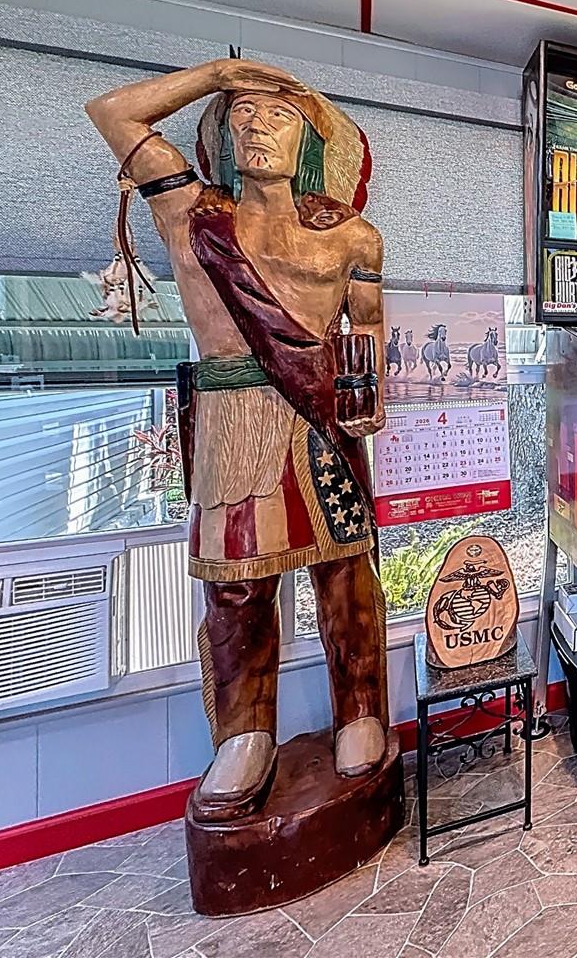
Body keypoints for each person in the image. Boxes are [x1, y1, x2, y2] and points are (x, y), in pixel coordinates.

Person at [85, 58, 390, 821]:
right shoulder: (194, 215)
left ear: (310, 141)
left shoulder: (352, 237)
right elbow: (114, 112)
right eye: (242, 113)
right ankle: (245, 733)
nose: (258, 125)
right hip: (233, 420)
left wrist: (368, 399)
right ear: (220, 132)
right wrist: (219, 73)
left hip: (322, 421)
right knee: (236, 588)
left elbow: (367, 334)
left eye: (278, 115)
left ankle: (360, 710)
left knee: (346, 576)